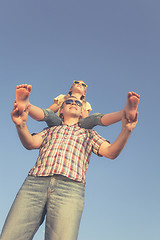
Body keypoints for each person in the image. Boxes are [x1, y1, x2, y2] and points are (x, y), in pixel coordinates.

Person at [0, 95, 138, 240]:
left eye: (78, 102)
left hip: (70, 188)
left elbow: (111, 152)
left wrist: (126, 130)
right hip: (35, 183)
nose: (73, 103)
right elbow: (31, 143)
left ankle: (123, 112)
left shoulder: (89, 134)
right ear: (61, 110)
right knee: (11, 236)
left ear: (82, 112)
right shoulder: (50, 130)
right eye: (69, 101)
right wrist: (21, 125)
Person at [15, 81, 140, 129]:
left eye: (83, 85)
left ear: (84, 93)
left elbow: (86, 118)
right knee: (48, 115)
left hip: (77, 124)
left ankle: (124, 113)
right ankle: (26, 105)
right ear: (70, 89)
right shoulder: (62, 98)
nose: (80, 84)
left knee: (95, 117)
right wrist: (41, 113)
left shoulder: (86, 104)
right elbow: (50, 110)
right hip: (60, 122)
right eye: (76, 83)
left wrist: (87, 122)